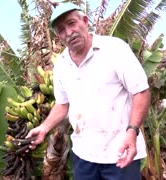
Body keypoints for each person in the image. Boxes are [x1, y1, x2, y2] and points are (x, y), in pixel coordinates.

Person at [26, 2, 151, 180]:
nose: (69, 32)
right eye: (61, 30)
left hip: (120, 153)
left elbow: (141, 92)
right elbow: (62, 105)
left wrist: (132, 132)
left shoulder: (114, 49)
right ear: (58, 36)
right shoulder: (61, 65)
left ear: (85, 21)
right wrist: (44, 128)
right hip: (83, 156)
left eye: (71, 23)